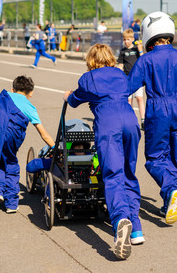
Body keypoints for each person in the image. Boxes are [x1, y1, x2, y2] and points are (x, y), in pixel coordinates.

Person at [64, 43, 141, 260]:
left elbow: (75, 99)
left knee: (113, 176)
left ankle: (120, 220)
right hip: (130, 122)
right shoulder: (120, 74)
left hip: (109, 126)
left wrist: (67, 96)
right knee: (128, 173)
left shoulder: (89, 78)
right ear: (110, 57)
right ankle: (136, 229)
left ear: (91, 60)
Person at [128, 11, 177, 226]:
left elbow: (127, 88)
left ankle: (170, 190)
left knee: (153, 159)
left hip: (157, 109)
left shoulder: (146, 60)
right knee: (174, 159)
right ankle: (168, 202)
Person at [0, 76, 55, 213]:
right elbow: (43, 133)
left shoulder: (1, 99)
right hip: (12, 136)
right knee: (10, 162)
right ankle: (11, 203)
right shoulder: (29, 106)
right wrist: (54, 148)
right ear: (31, 93)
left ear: (12, 89)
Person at [117, 29, 145, 129]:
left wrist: (140, 49)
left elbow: (142, 59)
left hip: (137, 78)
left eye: (128, 39)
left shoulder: (136, 49)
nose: (126, 42)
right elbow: (120, 64)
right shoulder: (122, 51)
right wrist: (119, 73)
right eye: (124, 40)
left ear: (132, 39)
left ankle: (143, 120)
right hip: (127, 78)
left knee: (139, 98)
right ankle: (131, 120)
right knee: (129, 100)